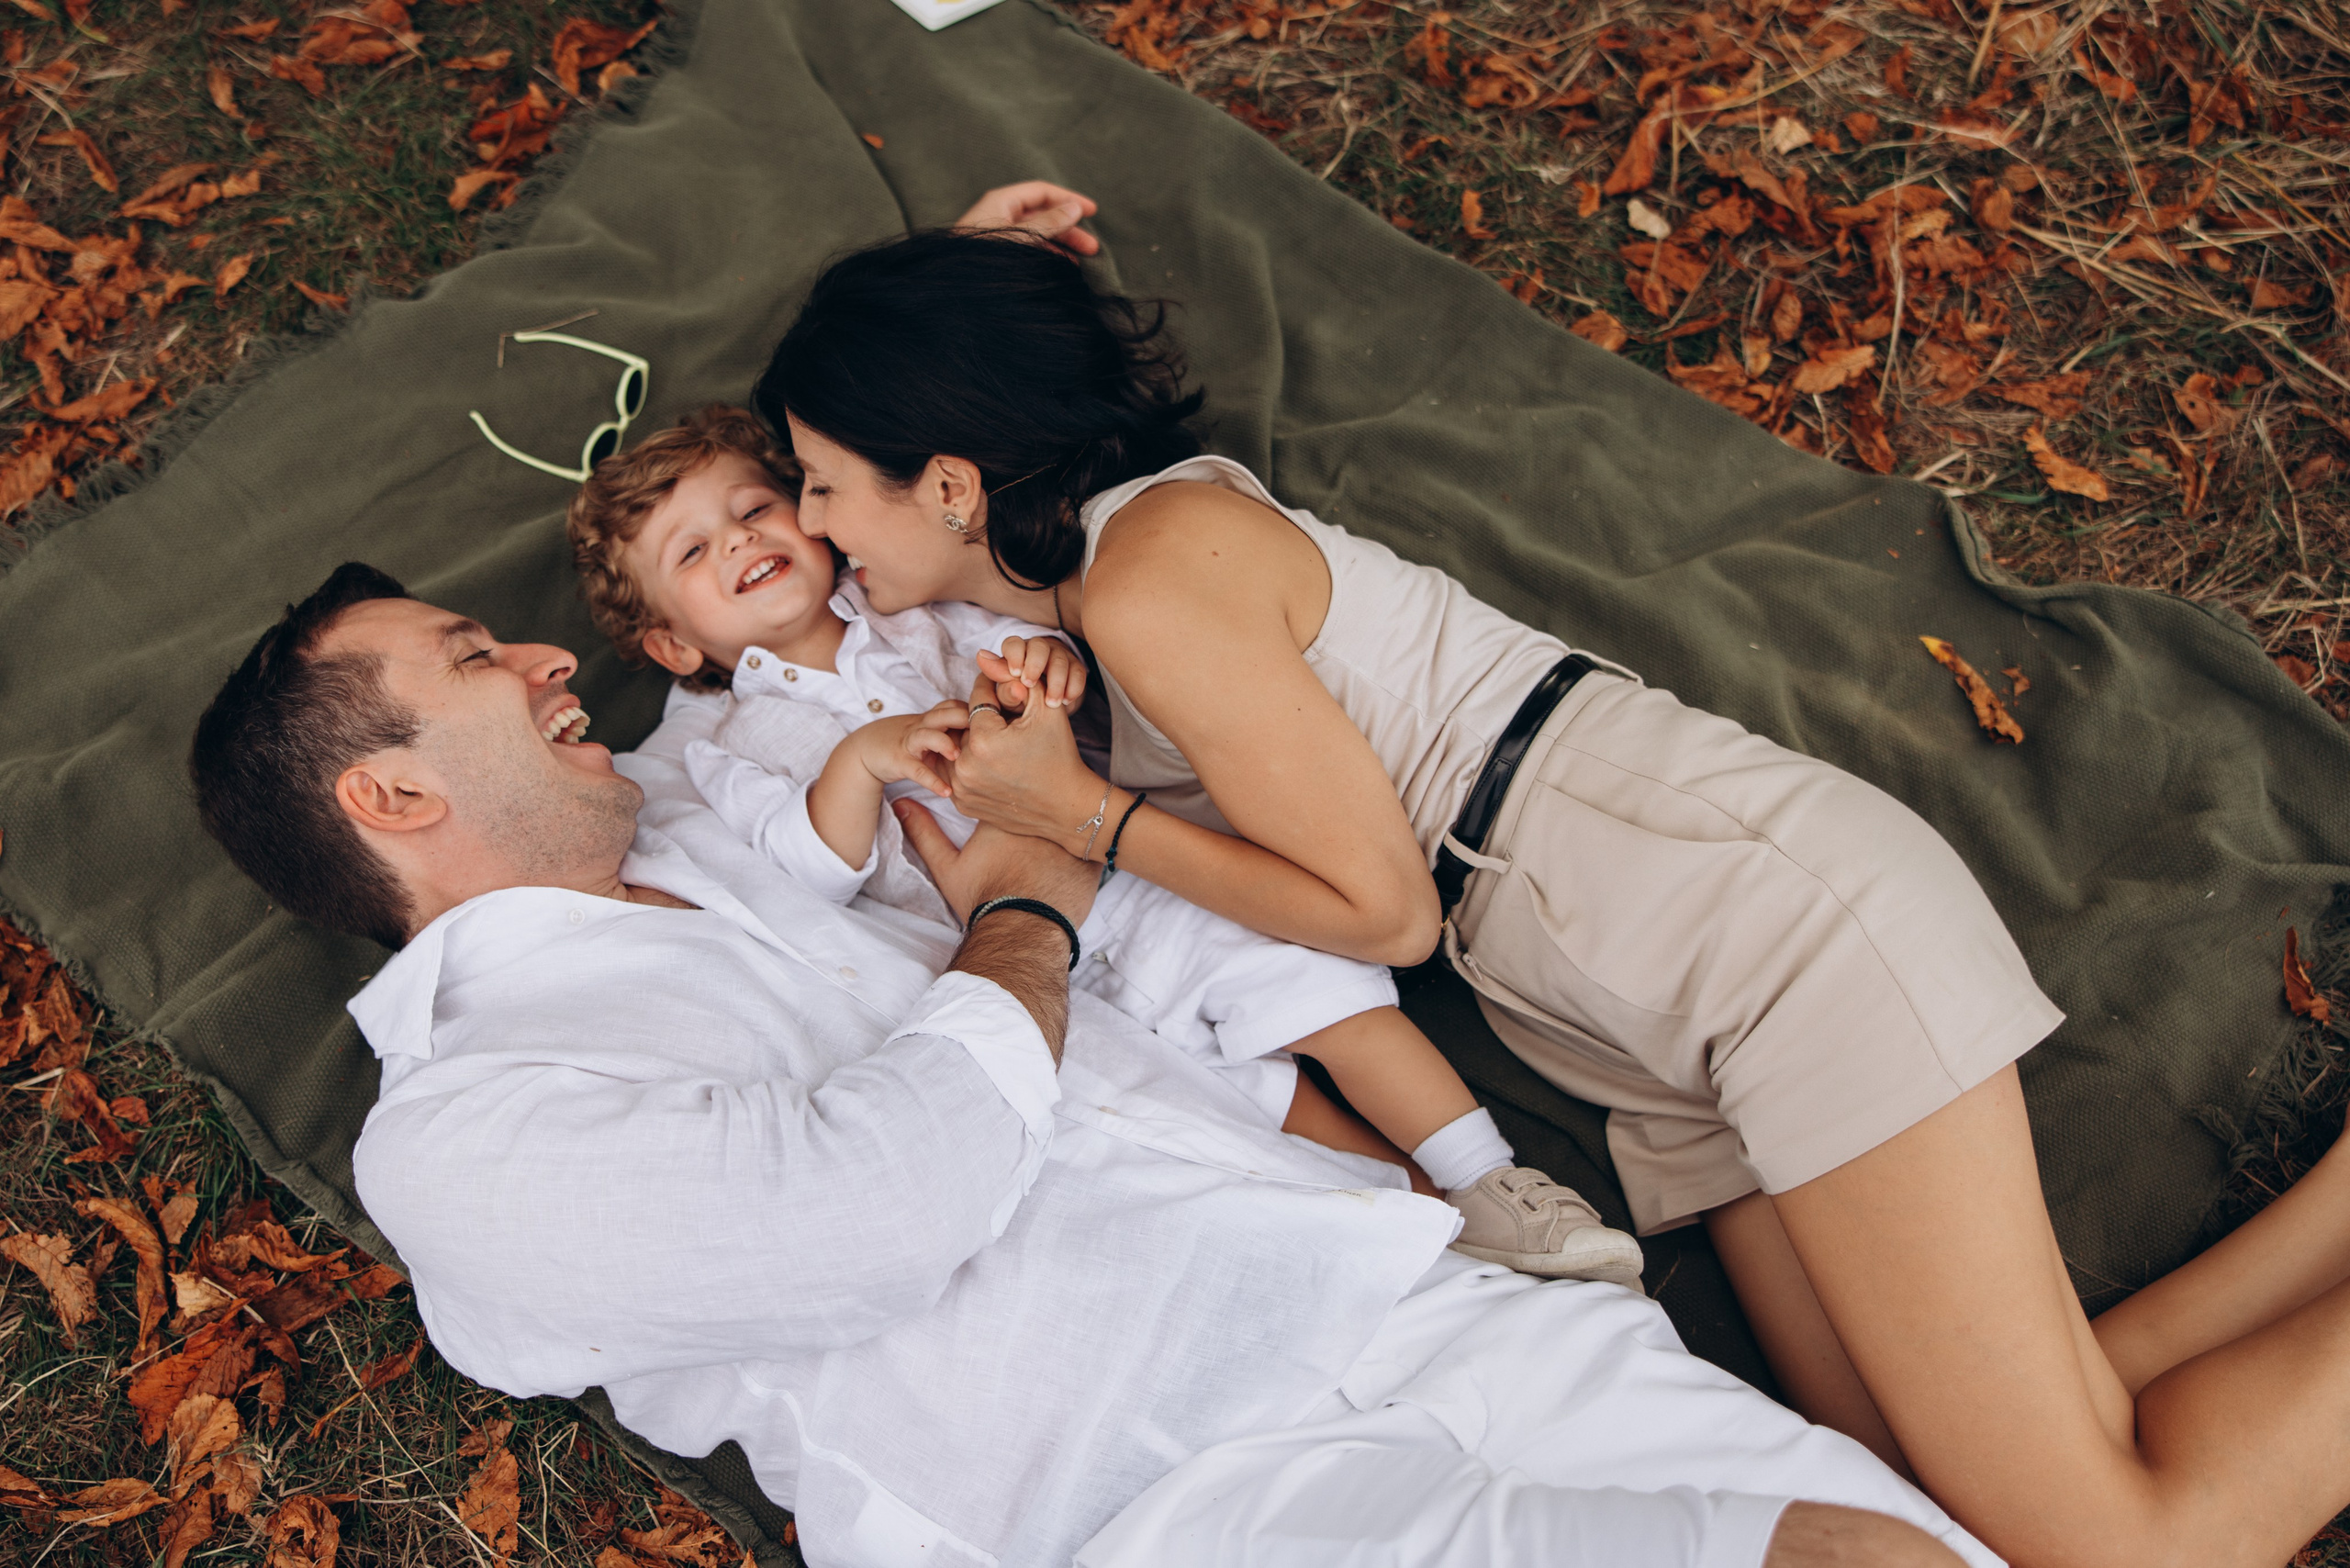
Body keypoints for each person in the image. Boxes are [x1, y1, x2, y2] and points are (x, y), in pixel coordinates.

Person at [753, 227, 2350, 1568]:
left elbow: (1383, 911)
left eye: (823, 485)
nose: (812, 530)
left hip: (1749, 932)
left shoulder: (1152, 572)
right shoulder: (1091, 600)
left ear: (952, 479)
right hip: (1645, 1013)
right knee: (1914, 1484)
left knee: (2123, 1546)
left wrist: (1083, 819)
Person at [185, 562, 1986, 1568]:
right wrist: (1029, 908)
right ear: (394, 797)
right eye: (474, 660)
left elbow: (871, 621)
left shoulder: (705, 817)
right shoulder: (464, 1126)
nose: (544, 655)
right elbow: (886, 1200)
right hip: (1178, 1492)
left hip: (1435, 1299)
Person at [559, 403, 1642, 1281]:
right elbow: (806, 871)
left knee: (1314, 993)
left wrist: (1046, 669)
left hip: (1135, 871)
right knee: (1254, 1094)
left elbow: (1030, 637)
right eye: (695, 550)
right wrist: (860, 761)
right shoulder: (727, 746)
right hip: (1042, 954)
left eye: (754, 506)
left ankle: (1492, 1178)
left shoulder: (909, 607)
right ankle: (1433, 1228)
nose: (742, 539)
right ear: (670, 640)